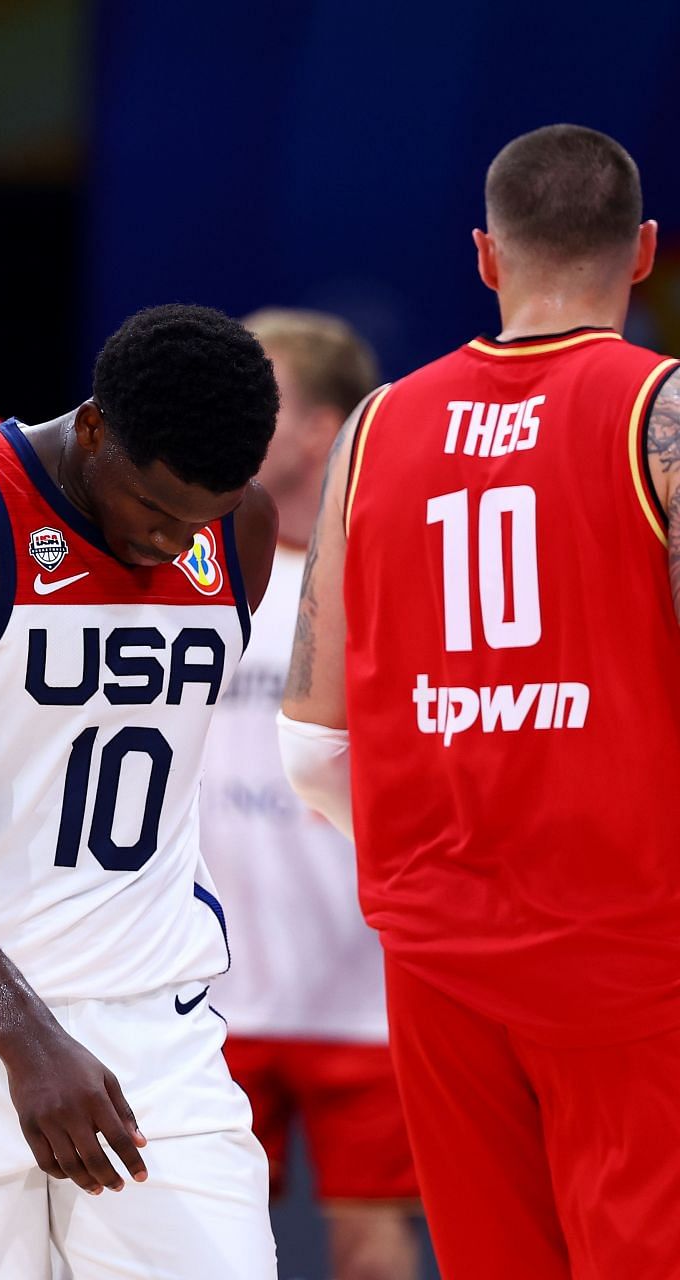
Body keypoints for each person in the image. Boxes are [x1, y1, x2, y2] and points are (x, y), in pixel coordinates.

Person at [283, 123, 680, 1279]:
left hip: (439, 951)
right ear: (644, 250)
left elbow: (309, 746)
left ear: (485, 257)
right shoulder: (659, 413)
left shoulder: (374, 427)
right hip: (632, 943)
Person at [0, 304, 280, 1278]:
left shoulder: (236, 527)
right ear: (91, 428)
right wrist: (28, 1039)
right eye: (154, 507)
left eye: (203, 514)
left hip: (153, 1019)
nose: (174, 540)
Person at [200, 310, 420, 1280]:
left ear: (325, 430)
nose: (232, 421)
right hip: (207, 989)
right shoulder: (185, 572)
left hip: (363, 988)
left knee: (371, 1245)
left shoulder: (397, 576)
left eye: (264, 402)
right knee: (197, 1248)